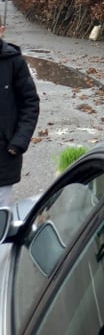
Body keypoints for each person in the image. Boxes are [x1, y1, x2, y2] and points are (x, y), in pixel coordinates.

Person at [0, 24, 40, 207]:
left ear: (1, 30)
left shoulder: (13, 62)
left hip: (3, 161)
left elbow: (30, 103)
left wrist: (18, 143)